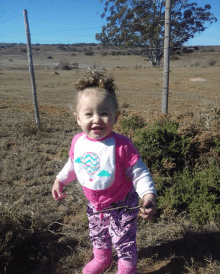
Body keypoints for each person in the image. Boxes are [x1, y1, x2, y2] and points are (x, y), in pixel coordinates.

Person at [52, 71, 157, 274]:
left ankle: (127, 267)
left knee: (123, 238)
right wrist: (60, 180)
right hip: (95, 204)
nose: (97, 119)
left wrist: (148, 194)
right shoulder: (78, 142)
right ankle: (102, 258)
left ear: (116, 117)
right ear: (77, 119)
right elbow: (74, 164)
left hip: (123, 204)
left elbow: (139, 172)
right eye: (89, 114)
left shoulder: (121, 145)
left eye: (104, 113)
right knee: (98, 233)